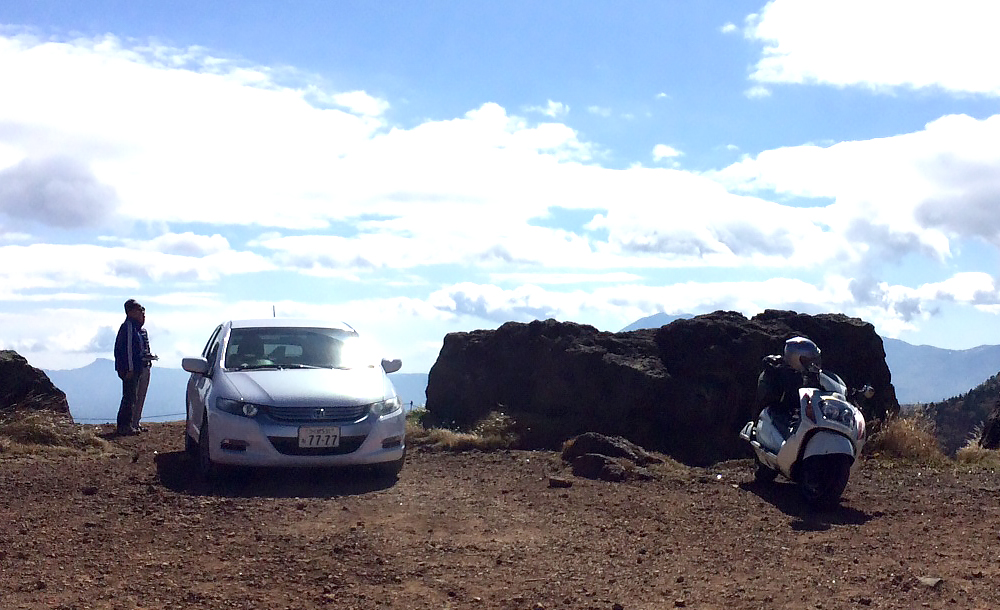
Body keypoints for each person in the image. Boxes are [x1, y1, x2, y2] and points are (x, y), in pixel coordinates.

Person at [755, 336, 823, 437]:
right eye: (808, 361)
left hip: (797, 419)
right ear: (795, 359)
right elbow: (774, 406)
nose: (813, 365)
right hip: (777, 423)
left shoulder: (807, 375)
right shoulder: (780, 375)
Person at [114, 299, 145, 435]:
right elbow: (128, 350)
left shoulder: (133, 327)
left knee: (131, 396)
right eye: (138, 310)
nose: (140, 312)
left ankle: (128, 424)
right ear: (131, 311)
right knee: (129, 397)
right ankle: (124, 426)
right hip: (129, 369)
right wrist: (130, 368)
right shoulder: (128, 327)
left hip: (132, 368)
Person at [130, 306, 158, 433]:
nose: (143, 318)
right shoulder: (130, 330)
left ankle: (136, 422)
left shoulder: (143, 332)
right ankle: (130, 423)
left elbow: (146, 348)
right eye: (141, 315)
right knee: (133, 396)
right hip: (136, 368)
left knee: (141, 395)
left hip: (146, 366)